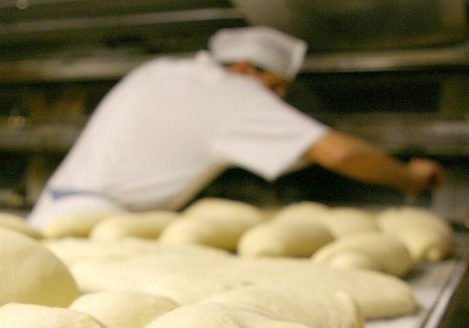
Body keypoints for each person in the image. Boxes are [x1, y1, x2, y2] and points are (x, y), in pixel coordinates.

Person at [27, 26, 445, 229]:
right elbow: (340, 153)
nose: (275, 102)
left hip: (53, 212)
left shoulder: (163, 70)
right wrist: (408, 178)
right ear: (246, 67)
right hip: (100, 229)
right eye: (275, 87)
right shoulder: (234, 93)